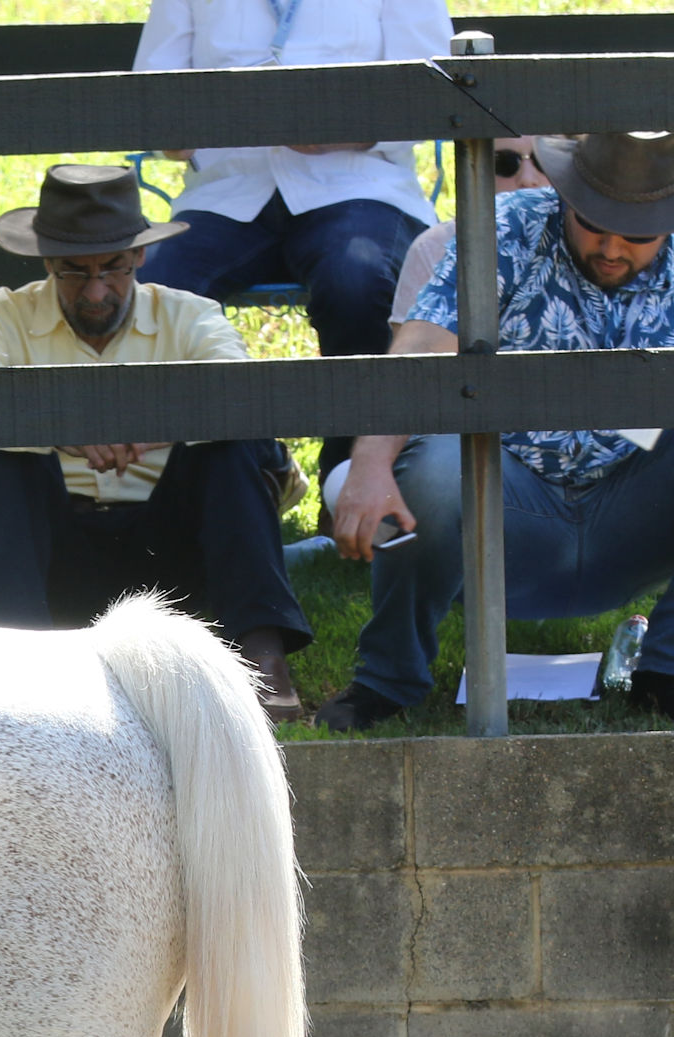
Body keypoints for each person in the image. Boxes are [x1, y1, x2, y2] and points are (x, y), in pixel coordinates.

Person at [319, 132, 674, 729]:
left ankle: (664, 673)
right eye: (593, 224)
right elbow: (424, 344)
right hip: (505, 503)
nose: (612, 249)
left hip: (636, 510)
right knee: (432, 466)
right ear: (567, 195)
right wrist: (371, 463)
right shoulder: (507, 223)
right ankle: (387, 679)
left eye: (637, 236)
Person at [0, 164, 312, 720]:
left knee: (229, 444)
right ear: (48, 262)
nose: (96, 291)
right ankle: (11, 668)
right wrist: (65, 430)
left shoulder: (188, 314)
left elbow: (240, 391)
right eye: (75, 272)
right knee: (14, 457)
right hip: (51, 552)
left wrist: (145, 425)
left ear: (139, 257)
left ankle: (262, 659)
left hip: (172, 550)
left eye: (112, 268)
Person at [132, 0, 447, 485]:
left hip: (356, 185)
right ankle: (236, 471)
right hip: (229, 192)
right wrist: (198, 123)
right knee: (153, 289)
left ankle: (349, 487)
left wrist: (341, 128)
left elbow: (433, 91)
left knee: (356, 283)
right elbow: (150, 103)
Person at [391, 135, 555, 328]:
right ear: (472, 167)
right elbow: (412, 343)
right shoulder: (433, 247)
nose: (527, 179)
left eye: (543, 160)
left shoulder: (586, 241)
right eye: (505, 163)